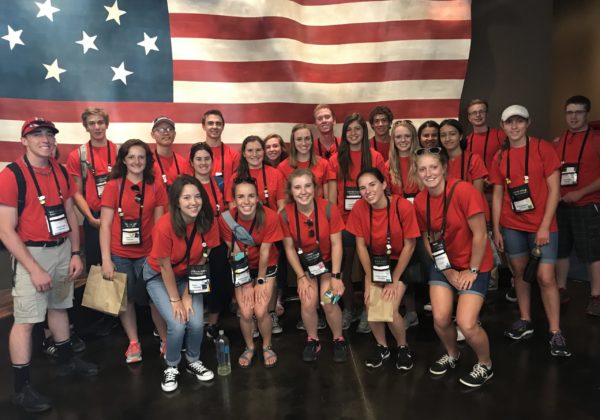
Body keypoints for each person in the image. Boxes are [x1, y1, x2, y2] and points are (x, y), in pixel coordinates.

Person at [0, 118, 98, 413]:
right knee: (27, 320)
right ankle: (22, 387)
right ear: (24, 140)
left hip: (61, 250)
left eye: (49, 134)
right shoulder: (11, 175)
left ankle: (67, 360)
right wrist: (33, 268)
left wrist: (76, 252)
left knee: (59, 306)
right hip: (32, 253)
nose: (45, 138)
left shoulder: (60, 171)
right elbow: (5, 230)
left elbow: (69, 213)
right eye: (37, 134)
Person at [489, 105, 571, 357]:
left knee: (546, 277)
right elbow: (498, 194)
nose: (514, 126)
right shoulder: (500, 157)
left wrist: (545, 225)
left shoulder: (543, 149)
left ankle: (555, 331)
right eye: (509, 122)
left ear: (528, 123)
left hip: (542, 226)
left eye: (519, 121)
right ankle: (525, 320)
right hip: (512, 226)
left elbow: (555, 190)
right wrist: (497, 229)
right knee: (520, 274)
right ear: (502, 126)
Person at [411, 146, 495, 387]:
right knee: (440, 318)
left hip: (474, 263)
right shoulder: (420, 200)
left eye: (433, 167)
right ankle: (452, 354)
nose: (428, 173)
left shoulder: (464, 191)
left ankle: (485, 364)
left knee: (467, 324)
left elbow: (480, 235)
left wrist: (472, 270)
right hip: (445, 262)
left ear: (444, 167)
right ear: (417, 173)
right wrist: (447, 270)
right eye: (422, 169)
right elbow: (428, 237)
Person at [143, 175, 219, 392]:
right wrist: (176, 299)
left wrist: (187, 294)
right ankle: (172, 364)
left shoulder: (207, 222)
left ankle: (193, 360)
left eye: (197, 196)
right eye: (186, 197)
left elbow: (203, 258)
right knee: (177, 322)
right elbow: (164, 266)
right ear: (176, 201)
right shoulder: (164, 225)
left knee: (195, 323)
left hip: (191, 275)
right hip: (160, 275)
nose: (193, 202)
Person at [100, 139, 168, 363]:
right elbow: (106, 225)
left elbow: (159, 224)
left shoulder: (156, 185)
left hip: (148, 253)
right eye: (132, 157)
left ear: (147, 160)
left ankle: (166, 339)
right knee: (124, 299)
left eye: (141, 157)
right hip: (119, 254)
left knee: (155, 298)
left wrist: (157, 255)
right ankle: (133, 342)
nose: (137, 161)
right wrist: (106, 260)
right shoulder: (113, 186)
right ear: (124, 160)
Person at [347, 168, 420, 370]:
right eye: (362, 188)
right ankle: (382, 347)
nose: (367, 191)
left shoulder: (402, 206)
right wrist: (370, 281)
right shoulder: (360, 208)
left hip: (401, 261)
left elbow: (411, 245)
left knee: (389, 308)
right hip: (377, 263)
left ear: (384, 184)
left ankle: (403, 347)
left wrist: (395, 279)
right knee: (371, 304)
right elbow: (361, 246)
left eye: (372, 184)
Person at [327, 113, 387, 333]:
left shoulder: (374, 157)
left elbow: (381, 191)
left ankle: (367, 311)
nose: (353, 134)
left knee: (368, 268)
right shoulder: (335, 159)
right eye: (349, 130)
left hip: (371, 221)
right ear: (344, 134)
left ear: (364, 133)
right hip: (344, 222)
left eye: (357, 130)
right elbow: (332, 197)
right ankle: (348, 309)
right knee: (344, 268)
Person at [280, 169, 347, 362]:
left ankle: (338, 338)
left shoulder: (328, 208)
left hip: (327, 265)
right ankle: (313, 340)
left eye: (307, 186)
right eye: (297, 187)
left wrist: (335, 277)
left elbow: (337, 244)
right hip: (306, 266)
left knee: (329, 301)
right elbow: (289, 249)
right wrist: (301, 277)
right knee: (307, 301)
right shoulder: (285, 215)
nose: (303, 191)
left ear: (315, 187)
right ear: (291, 191)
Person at [66, 107, 120, 338]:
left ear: (106, 124)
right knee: (98, 267)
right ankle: (103, 317)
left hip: (117, 219)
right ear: (86, 126)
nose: (97, 127)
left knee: (119, 263)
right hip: (93, 218)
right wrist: (89, 217)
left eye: (101, 122)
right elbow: (76, 192)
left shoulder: (118, 151)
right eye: (92, 123)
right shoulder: (78, 155)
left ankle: (122, 314)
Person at [220, 177, 284, 368]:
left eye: (251, 196)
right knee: (246, 312)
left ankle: (266, 345)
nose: (246, 201)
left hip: (266, 265)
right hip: (242, 266)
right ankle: (249, 347)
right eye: (241, 197)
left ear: (258, 198)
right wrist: (247, 283)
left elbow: (265, 252)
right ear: (234, 199)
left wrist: (261, 281)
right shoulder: (226, 219)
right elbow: (235, 252)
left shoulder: (270, 216)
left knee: (261, 309)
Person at [553, 95, 600, 313]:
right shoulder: (559, 141)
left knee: (592, 252)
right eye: (569, 112)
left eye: (578, 112)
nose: (573, 117)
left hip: (587, 204)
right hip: (561, 205)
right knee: (561, 250)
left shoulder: (596, 139)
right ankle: (561, 289)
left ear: (586, 114)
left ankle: (596, 295)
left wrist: (580, 192)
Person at [189, 142, 233, 338]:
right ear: (191, 162)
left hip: (217, 244)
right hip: (195, 245)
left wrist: (232, 240)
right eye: (199, 159)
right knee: (197, 285)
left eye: (207, 158)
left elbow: (224, 214)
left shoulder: (219, 184)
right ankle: (195, 325)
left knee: (219, 284)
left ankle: (212, 324)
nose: (203, 162)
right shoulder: (187, 186)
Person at [225, 135, 286, 211]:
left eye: (258, 150)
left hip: (272, 221)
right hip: (244, 222)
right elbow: (233, 209)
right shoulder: (235, 178)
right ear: (244, 154)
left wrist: (273, 222)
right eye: (250, 150)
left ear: (263, 151)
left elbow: (282, 206)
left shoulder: (276, 174)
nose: (254, 154)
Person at [278, 123, 331, 198]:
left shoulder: (324, 164)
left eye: (307, 138)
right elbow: (284, 199)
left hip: (318, 209)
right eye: (299, 139)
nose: (304, 143)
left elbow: (327, 199)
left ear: (312, 141)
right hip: (294, 209)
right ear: (293, 142)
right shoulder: (282, 167)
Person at [201, 109, 240, 193]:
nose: (214, 126)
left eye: (218, 124)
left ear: (223, 127)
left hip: (226, 205)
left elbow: (237, 186)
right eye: (210, 123)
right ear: (203, 126)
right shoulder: (195, 154)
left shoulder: (234, 155)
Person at [150, 116, 191, 191]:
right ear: (152, 134)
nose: (166, 133)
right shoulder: (147, 161)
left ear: (174, 134)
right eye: (161, 129)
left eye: (169, 129)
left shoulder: (183, 163)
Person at [465, 99, 505, 173]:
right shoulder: (466, 141)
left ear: (487, 114)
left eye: (481, 111)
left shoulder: (500, 135)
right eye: (474, 113)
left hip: (499, 182)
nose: (478, 115)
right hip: (476, 183)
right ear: (469, 118)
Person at [386, 120, 421, 202]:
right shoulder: (387, 166)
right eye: (398, 137)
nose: (403, 140)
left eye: (407, 136)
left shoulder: (422, 161)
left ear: (413, 138)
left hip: (421, 209)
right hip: (398, 210)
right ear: (393, 140)